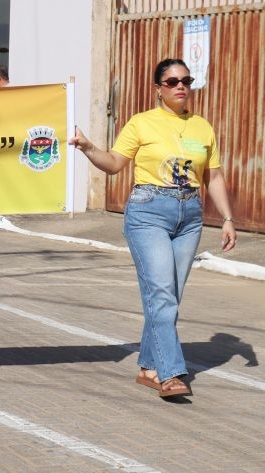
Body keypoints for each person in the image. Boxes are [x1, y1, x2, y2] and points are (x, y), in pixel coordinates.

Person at [70, 58, 237, 398]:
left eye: (186, 80)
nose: (181, 86)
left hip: (190, 215)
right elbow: (115, 164)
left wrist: (228, 218)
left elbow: (213, 176)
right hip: (148, 212)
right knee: (162, 294)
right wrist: (88, 149)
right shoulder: (141, 123)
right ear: (158, 89)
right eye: (173, 81)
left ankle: (148, 367)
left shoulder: (202, 127)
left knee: (169, 297)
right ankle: (171, 372)